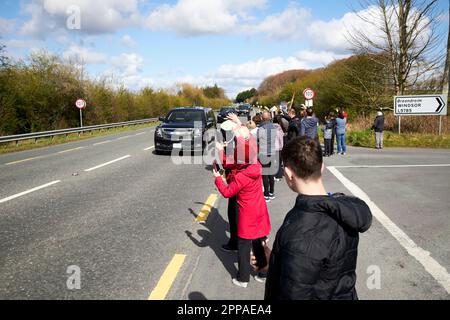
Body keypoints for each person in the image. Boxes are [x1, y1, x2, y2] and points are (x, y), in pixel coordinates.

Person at [253, 137, 372, 300]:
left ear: (288, 173)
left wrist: (272, 267)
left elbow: (295, 292)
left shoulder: (300, 233)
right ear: (322, 167)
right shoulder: (346, 210)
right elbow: (325, 272)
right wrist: (274, 261)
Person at [213, 128, 271, 288]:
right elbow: (249, 145)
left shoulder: (241, 176)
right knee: (258, 243)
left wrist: (218, 178)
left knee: (244, 247)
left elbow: (226, 192)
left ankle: (243, 278)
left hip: (247, 214)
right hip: (260, 211)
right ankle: (263, 273)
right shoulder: (256, 165)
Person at [257, 112, 278, 202]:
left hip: (263, 152)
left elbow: (258, 139)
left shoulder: (261, 128)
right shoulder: (273, 127)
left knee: (265, 174)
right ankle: (272, 192)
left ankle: (266, 194)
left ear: (262, 118)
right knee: (271, 173)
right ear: (269, 118)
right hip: (272, 151)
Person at [272, 115, 285, 181]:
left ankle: (272, 174)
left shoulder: (270, 127)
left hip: (271, 146)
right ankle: (277, 174)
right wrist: (282, 147)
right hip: (278, 147)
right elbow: (281, 139)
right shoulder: (279, 128)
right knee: (278, 161)